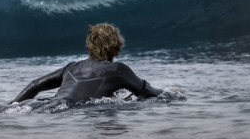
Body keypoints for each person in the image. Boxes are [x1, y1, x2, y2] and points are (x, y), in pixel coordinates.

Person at [12, 23, 162, 103]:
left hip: (46, 104)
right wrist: (170, 92)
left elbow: (35, 85)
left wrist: (13, 104)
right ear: (116, 46)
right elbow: (148, 93)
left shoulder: (71, 67)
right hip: (73, 110)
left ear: (89, 45)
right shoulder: (118, 70)